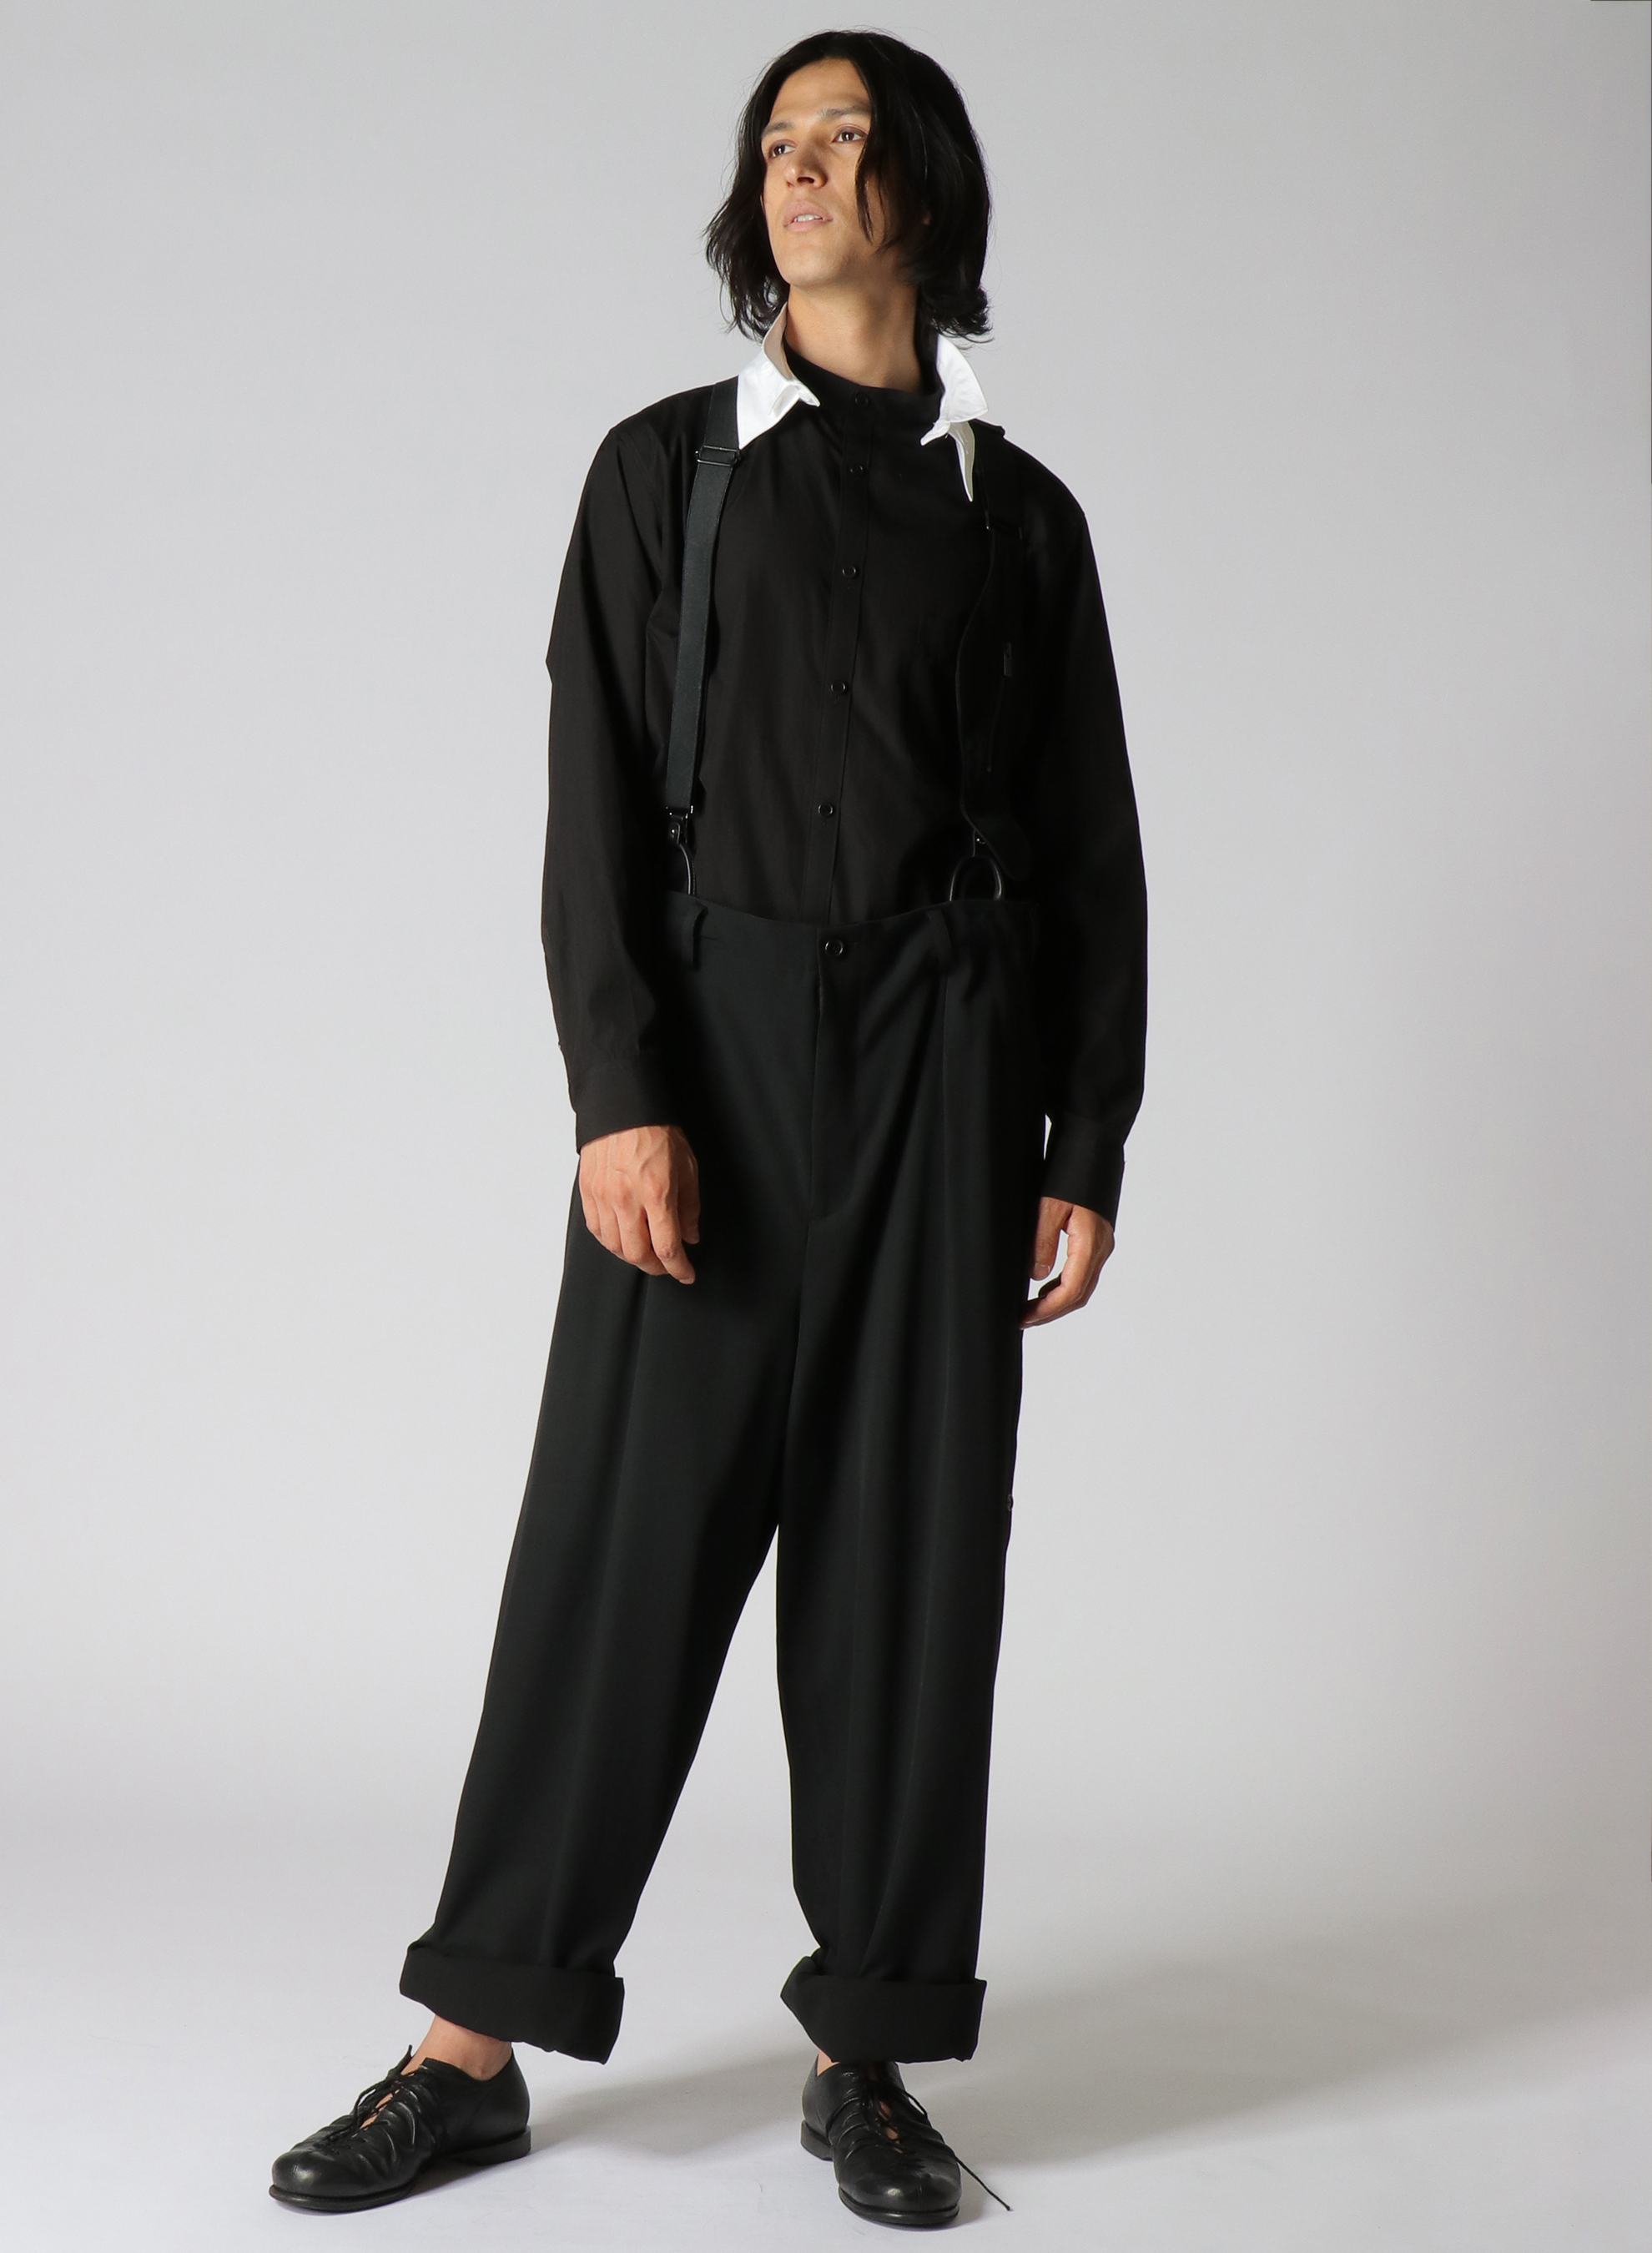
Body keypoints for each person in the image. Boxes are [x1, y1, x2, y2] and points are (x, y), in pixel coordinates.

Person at [269, 27, 1146, 2232]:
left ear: (924, 192)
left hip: (951, 1061)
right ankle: (467, 2052)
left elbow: (1089, 846)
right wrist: (620, 1092)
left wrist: (1086, 1136)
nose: (803, 169)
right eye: (777, 143)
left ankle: (868, 2059)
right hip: (720, 1050)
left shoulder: (1021, 517)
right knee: (616, 1553)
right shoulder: (665, 473)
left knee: (908, 1569)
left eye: (845, 138)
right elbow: (591, 814)